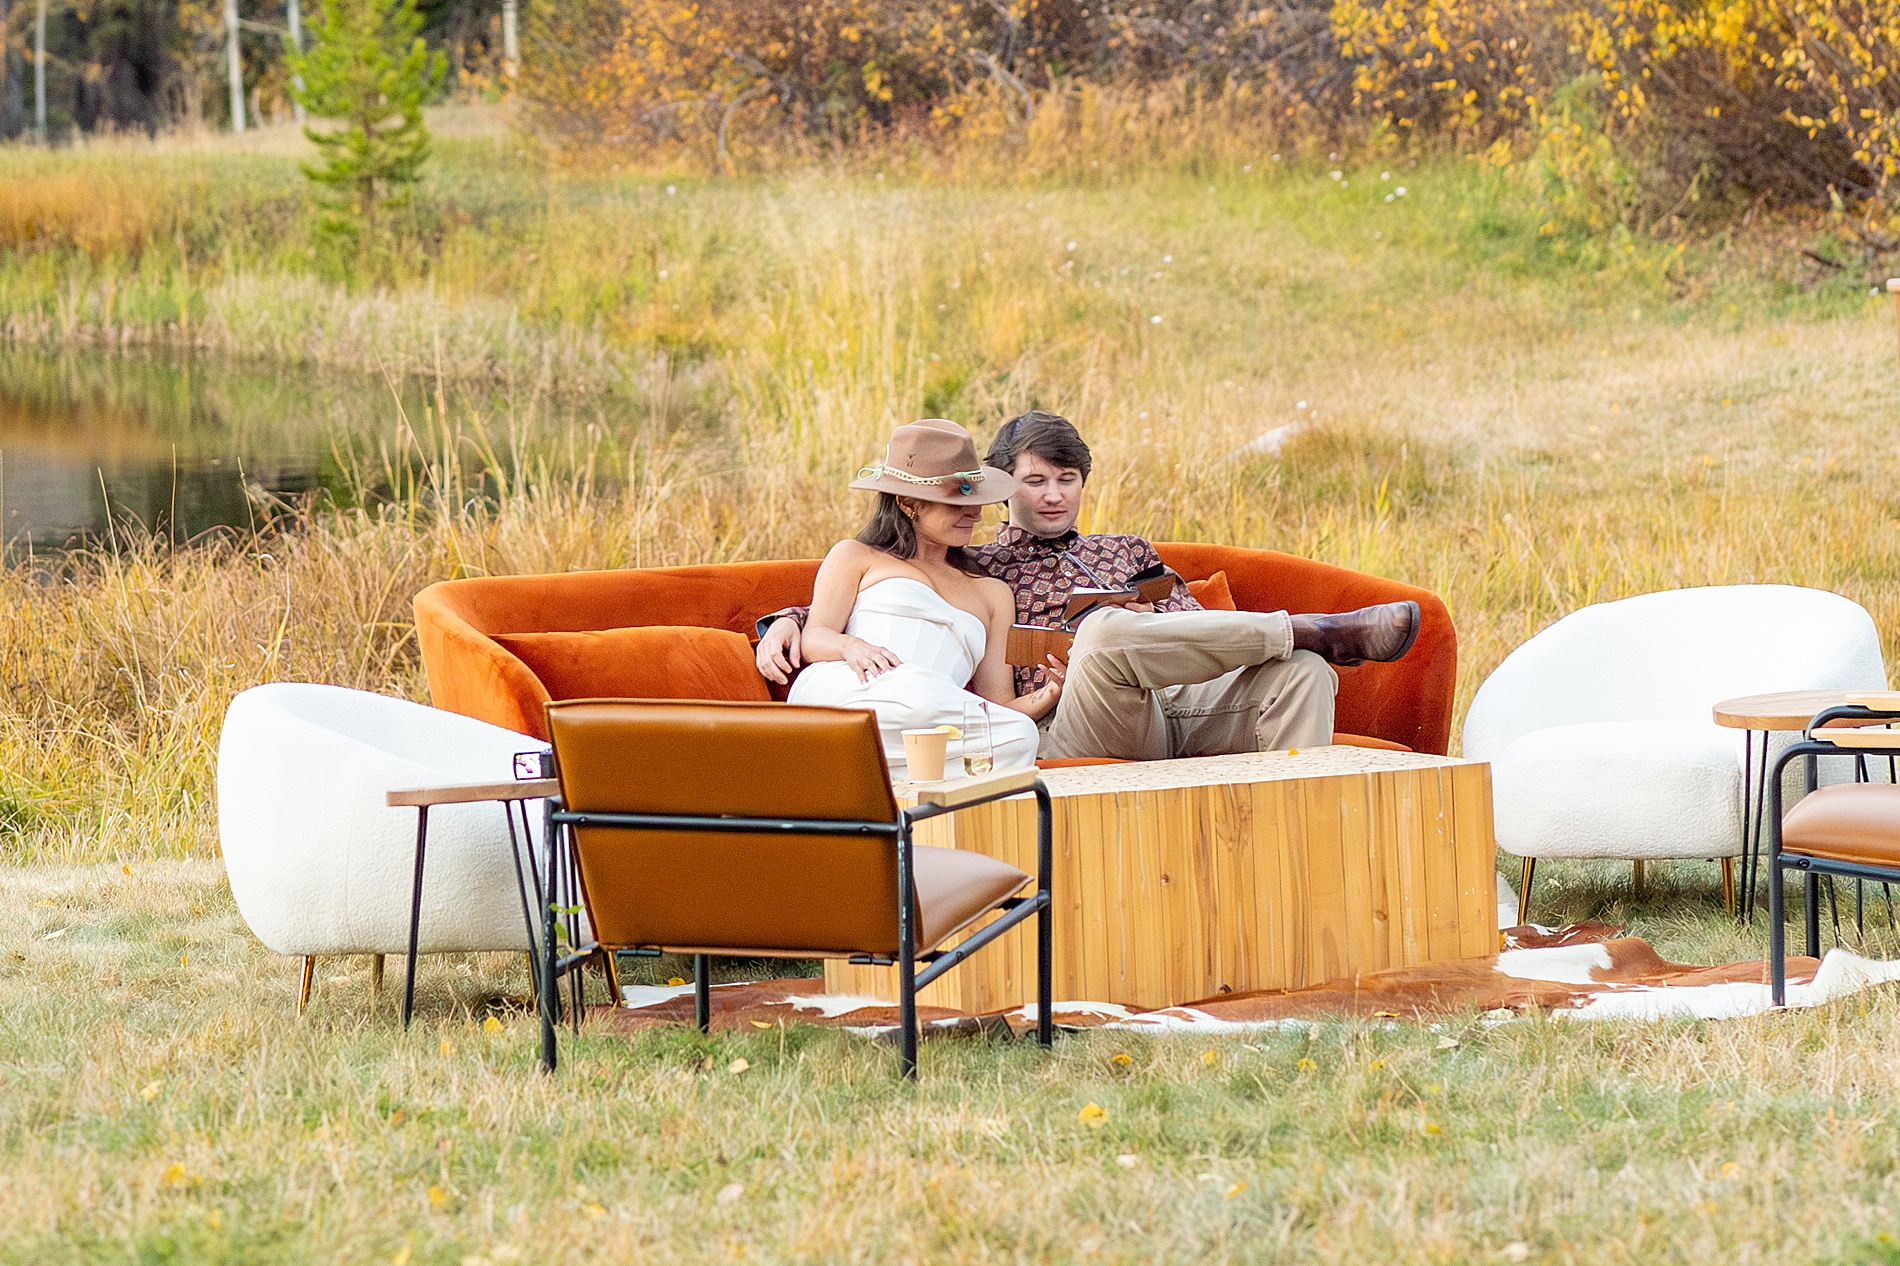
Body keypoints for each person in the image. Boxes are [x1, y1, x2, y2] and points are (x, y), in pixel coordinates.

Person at [761, 411, 1422, 763]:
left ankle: (1293, 864)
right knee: (1101, 634)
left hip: (1178, 707)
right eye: (1036, 480)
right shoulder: (982, 565)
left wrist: (1154, 621)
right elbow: (889, 591)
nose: (1053, 495)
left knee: (1303, 673)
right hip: (1082, 717)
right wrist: (784, 623)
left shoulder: (1128, 551)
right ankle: (1309, 627)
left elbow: (1190, 624)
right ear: (1005, 485)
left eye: (1067, 479)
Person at [785, 418, 1050, 773]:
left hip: (933, 716)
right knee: (918, 688)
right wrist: (850, 646)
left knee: (1020, 734)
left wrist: (1051, 693)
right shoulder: (857, 556)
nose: (976, 514)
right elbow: (814, 638)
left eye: (976, 499)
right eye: (958, 502)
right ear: (909, 501)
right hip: (855, 691)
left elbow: (995, 706)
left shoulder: (992, 593)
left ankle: (894, 786)